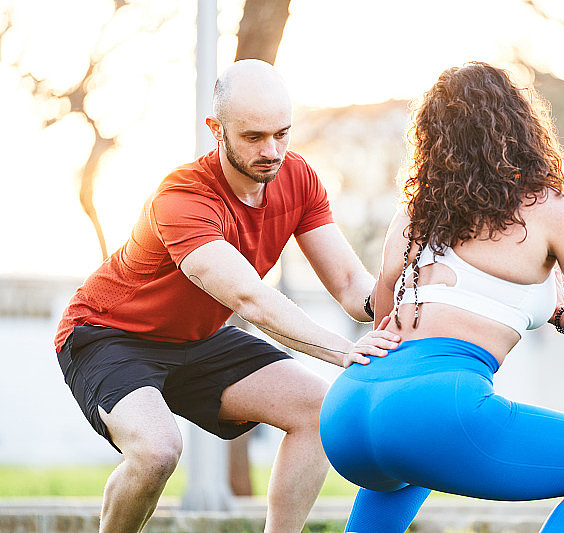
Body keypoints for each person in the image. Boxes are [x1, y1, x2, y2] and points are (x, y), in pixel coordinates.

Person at [54, 59, 399, 533]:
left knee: (321, 411)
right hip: (109, 335)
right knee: (157, 451)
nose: (271, 150)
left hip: (196, 339)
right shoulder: (183, 198)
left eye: (282, 134)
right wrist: (343, 350)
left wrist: (413, 303)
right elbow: (249, 299)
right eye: (253, 137)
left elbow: (350, 287)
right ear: (216, 129)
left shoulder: (298, 178)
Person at [319, 62, 564, 533]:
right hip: (432, 408)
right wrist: (563, 314)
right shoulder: (545, 209)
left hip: (349, 409)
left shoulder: (413, 216)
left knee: (414, 462)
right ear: (519, 125)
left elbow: (383, 320)